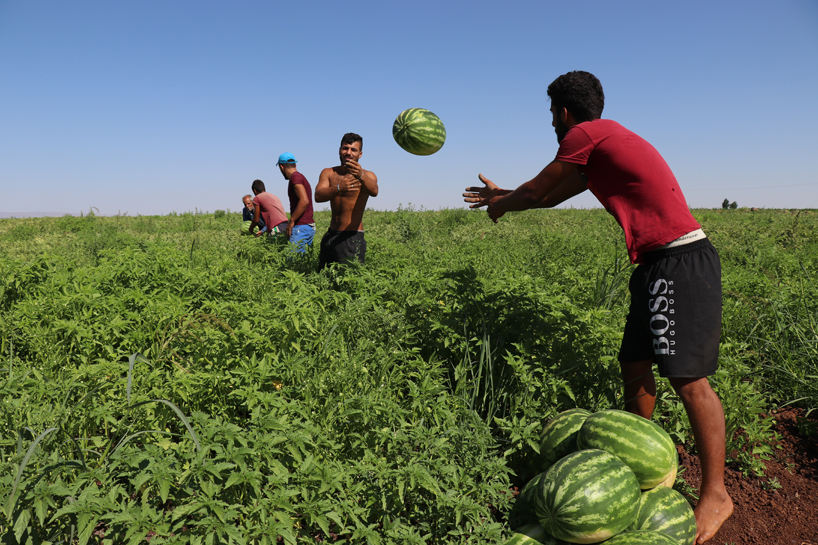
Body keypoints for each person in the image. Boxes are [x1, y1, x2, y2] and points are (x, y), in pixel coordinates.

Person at [463, 71, 732, 544]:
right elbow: (548, 196)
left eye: (552, 114)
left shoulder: (586, 134)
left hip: (679, 262)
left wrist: (503, 206)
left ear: (564, 112)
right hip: (655, 264)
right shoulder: (601, 148)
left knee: (689, 381)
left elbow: (536, 191)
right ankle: (639, 456)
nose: (552, 123)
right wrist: (503, 195)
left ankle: (716, 494)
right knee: (635, 362)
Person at [314, 133, 379, 270]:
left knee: (349, 280)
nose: (348, 152)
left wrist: (360, 175)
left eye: (353, 150)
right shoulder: (328, 172)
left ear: (360, 154)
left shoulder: (368, 175)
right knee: (322, 278)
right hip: (331, 234)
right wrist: (339, 188)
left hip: (351, 237)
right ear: (340, 150)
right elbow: (318, 196)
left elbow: (374, 191)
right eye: (345, 148)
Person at [276, 153, 315, 253]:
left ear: (281, 167)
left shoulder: (295, 178)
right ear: (295, 164)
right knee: (302, 260)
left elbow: (304, 201)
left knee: (292, 259)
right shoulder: (299, 177)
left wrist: (292, 221)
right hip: (306, 226)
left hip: (301, 227)